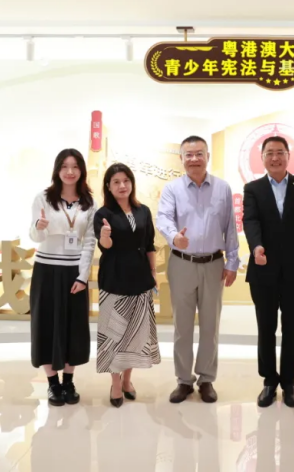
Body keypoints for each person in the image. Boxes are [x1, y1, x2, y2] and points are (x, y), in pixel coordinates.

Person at [157, 135, 240, 404]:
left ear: (207, 156)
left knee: (210, 326)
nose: (194, 159)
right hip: (182, 263)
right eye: (189, 155)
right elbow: (163, 218)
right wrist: (174, 237)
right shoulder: (172, 189)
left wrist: (232, 262)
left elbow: (230, 227)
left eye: (199, 154)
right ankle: (184, 380)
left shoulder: (222, 188)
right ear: (181, 159)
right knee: (182, 326)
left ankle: (206, 379)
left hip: (214, 264)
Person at [243, 136, 294, 408]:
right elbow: (250, 220)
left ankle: (289, 383)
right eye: (269, 153)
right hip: (262, 268)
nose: (275, 158)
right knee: (266, 327)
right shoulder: (253, 188)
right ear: (262, 157)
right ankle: (269, 381)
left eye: (280, 152)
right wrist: (256, 247)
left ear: (289, 156)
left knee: (291, 327)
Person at [29, 148, 96, 407]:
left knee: (73, 326)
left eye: (75, 166)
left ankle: (68, 382)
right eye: (65, 166)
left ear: (81, 171)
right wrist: (39, 227)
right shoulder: (44, 198)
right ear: (57, 170)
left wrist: (83, 276)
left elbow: (89, 241)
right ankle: (52, 384)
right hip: (46, 269)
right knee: (45, 324)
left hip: (74, 272)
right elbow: (35, 236)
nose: (70, 171)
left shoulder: (88, 202)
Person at [95, 163, 161, 408]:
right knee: (114, 334)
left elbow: (150, 244)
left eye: (126, 181)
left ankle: (127, 380)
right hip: (114, 280)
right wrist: (105, 236)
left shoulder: (143, 211)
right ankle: (115, 383)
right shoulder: (103, 214)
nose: (122, 186)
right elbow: (105, 246)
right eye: (116, 182)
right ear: (108, 186)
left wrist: (153, 272)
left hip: (140, 279)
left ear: (131, 183)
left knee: (135, 334)